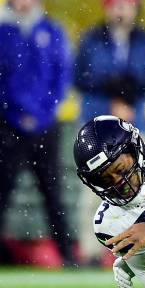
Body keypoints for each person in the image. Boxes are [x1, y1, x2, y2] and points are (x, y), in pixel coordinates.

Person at [74, 0, 145, 265]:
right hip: (96, 127)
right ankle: (90, 253)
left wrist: (130, 92)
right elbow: (80, 77)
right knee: (93, 191)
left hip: (133, 124)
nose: (120, 10)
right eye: (115, 5)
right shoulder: (91, 39)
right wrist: (111, 91)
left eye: (125, 5)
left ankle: (144, 248)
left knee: (144, 185)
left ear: (135, 9)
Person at [0, 0, 75, 266]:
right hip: (9, 124)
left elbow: (61, 77)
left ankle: (67, 255)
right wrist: (16, 113)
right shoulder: (3, 31)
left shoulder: (51, 31)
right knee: (3, 190)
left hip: (44, 126)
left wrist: (41, 113)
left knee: (52, 192)